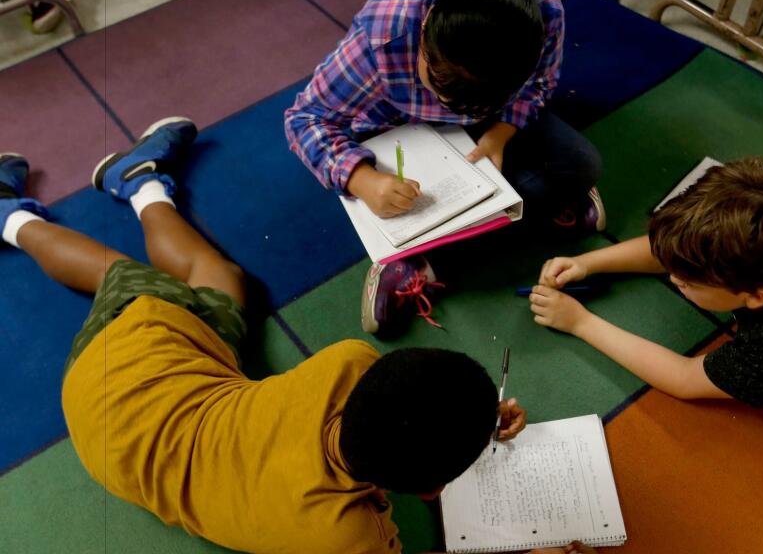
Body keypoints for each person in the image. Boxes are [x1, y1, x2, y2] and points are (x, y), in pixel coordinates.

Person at [0, 118, 534, 553]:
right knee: (136, 273)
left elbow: (400, 411)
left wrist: (470, 426)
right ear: (430, 490)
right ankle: (54, 204)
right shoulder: (351, 538)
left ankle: (126, 189)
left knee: (181, 278)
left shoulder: (345, 363)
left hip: (125, 385)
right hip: (112, 416)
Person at [285, 0, 604, 335]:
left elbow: (540, 83)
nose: (454, 106)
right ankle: (420, 262)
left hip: (492, 127)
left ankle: (428, 259)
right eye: (439, 83)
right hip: (398, 128)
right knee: (420, 201)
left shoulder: (544, 12)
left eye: (474, 98)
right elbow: (305, 118)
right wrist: (362, 180)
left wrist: (501, 131)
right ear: (423, 30)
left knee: (581, 164)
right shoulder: (384, 34)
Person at [528, 157, 763, 429]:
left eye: (690, 281)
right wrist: (586, 263)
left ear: (756, 296)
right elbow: (676, 251)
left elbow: (684, 378)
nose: (675, 278)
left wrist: (580, 322)